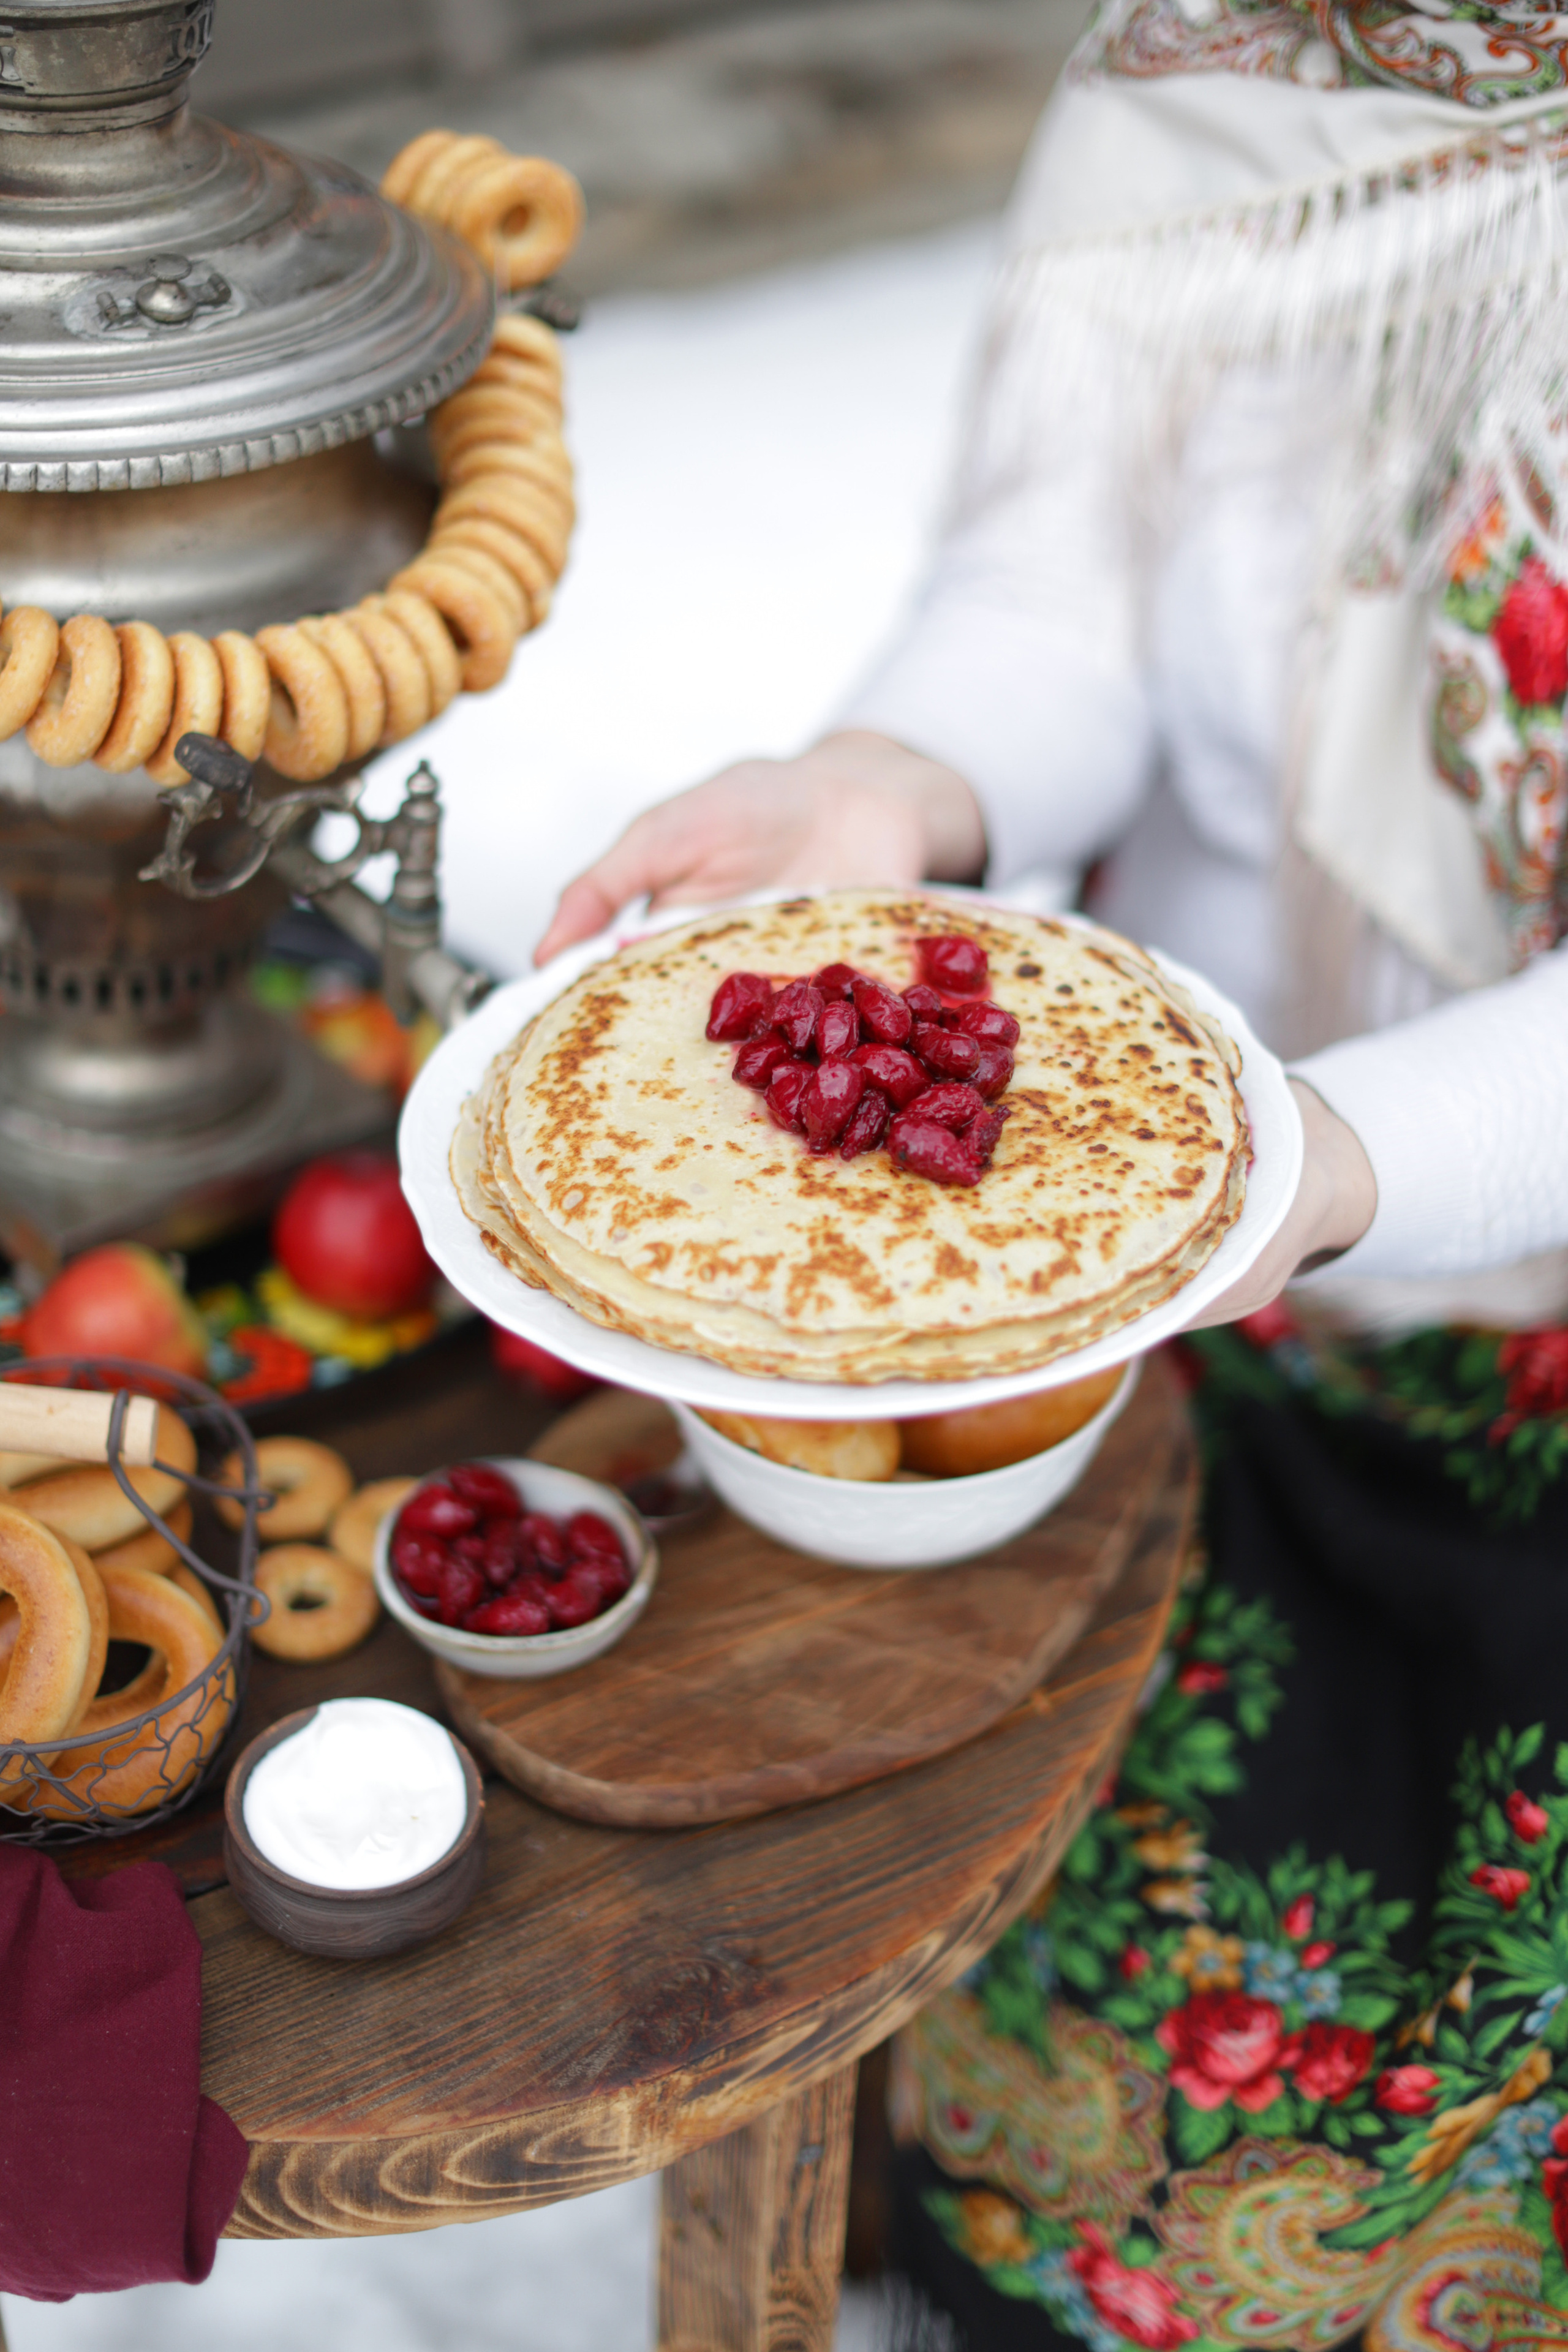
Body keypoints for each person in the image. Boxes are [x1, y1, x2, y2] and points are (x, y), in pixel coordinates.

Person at [540, 7, 1568, 2345]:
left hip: (1462, 1319)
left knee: (1333, 2173)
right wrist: (892, 785)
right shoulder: (1224, 64)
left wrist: (1326, 1158)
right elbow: (1063, 597)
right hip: (1131, 1291)